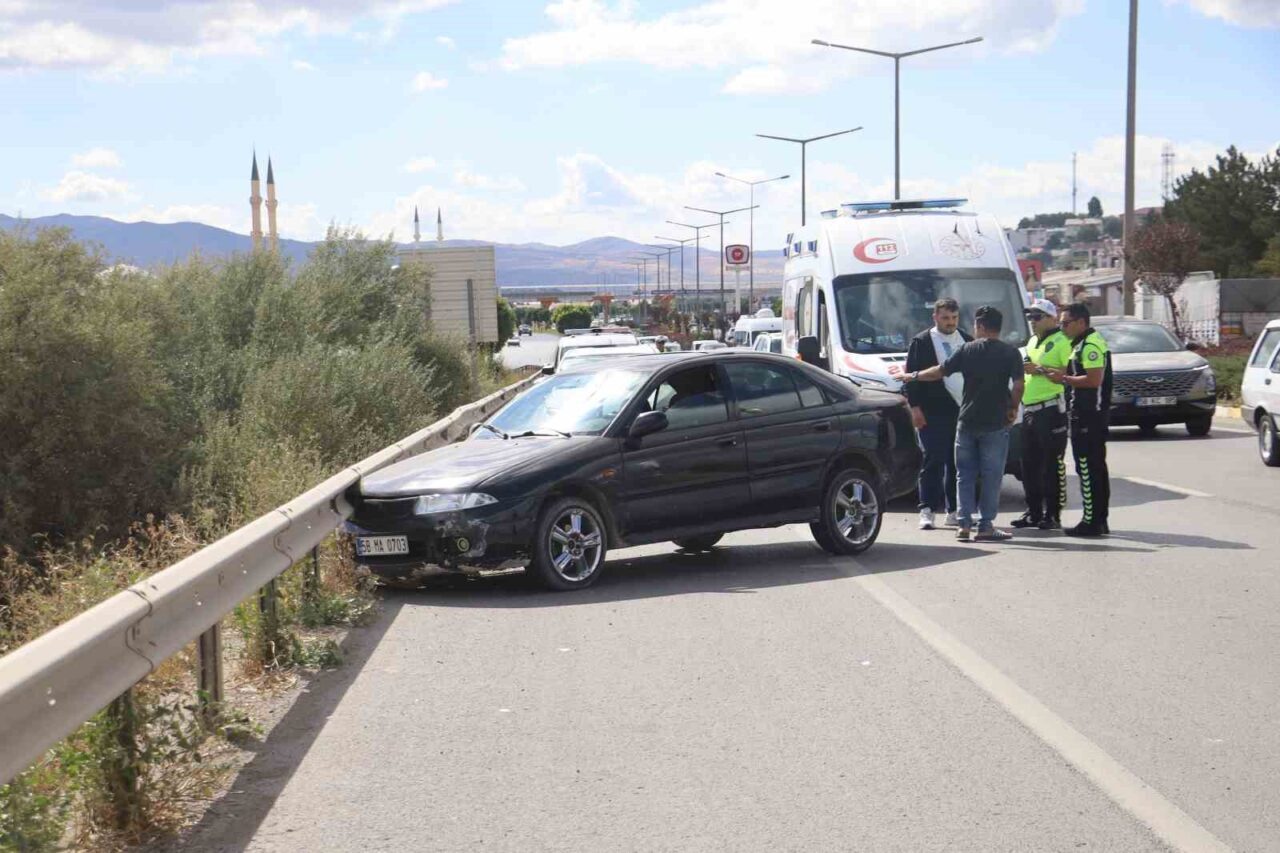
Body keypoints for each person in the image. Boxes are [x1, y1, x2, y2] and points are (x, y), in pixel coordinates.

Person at [893, 306, 1024, 542]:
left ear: (981, 327)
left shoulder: (967, 348)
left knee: (963, 474)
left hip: (965, 422)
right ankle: (984, 526)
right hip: (994, 424)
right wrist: (1013, 409)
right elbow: (1018, 385)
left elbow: (939, 372)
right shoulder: (1010, 353)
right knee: (991, 475)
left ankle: (963, 525)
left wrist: (912, 376)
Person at [1044, 302, 1113, 536]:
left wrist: (1064, 379)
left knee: (1088, 468)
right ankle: (1098, 519)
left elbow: (1094, 380)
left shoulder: (1091, 344)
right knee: (1093, 468)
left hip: (1089, 417)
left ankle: (1092, 521)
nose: (1062, 327)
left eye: (1065, 323)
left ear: (1081, 322)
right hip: (1083, 415)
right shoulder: (1080, 344)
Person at [903, 298, 972, 530]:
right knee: (933, 459)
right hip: (932, 412)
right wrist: (915, 408)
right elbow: (911, 376)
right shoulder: (922, 342)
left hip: (962, 411)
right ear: (935, 317)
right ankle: (927, 510)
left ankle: (953, 510)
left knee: (958, 462)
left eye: (954, 318)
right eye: (945, 318)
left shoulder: (967, 340)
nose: (950, 323)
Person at [1012, 299, 1071, 531]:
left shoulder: (1062, 341)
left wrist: (1039, 370)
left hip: (1051, 409)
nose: (1032, 322)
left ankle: (1053, 514)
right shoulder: (1033, 341)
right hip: (1030, 410)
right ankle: (1034, 512)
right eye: (1030, 317)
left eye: (1037, 317)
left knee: (1051, 465)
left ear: (1050, 318)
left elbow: (1069, 372)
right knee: (1029, 465)